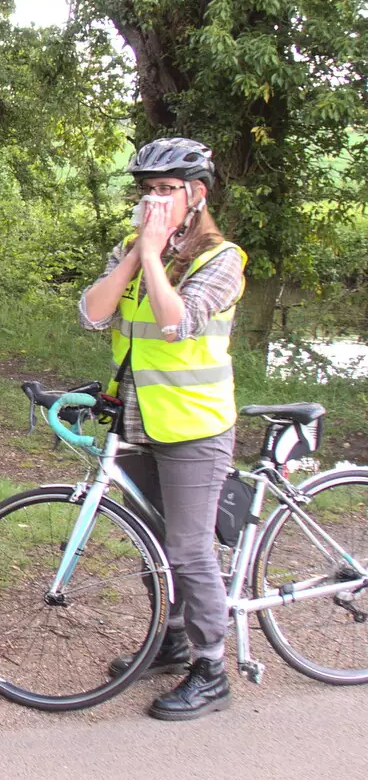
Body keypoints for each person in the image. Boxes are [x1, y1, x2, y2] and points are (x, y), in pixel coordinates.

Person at [80, 138, 247, 720]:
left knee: (188, 547)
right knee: (155, 540)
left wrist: (153, 257)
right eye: (147, 191)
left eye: (167, 191)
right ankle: (172, 640)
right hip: (137, 418)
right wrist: (137, 253)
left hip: (194, 427)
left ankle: (212, 668)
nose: (154, 202)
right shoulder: (129, 247)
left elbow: (178, 325)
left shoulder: (222, 259)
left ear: (196, 195)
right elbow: (93, 312)